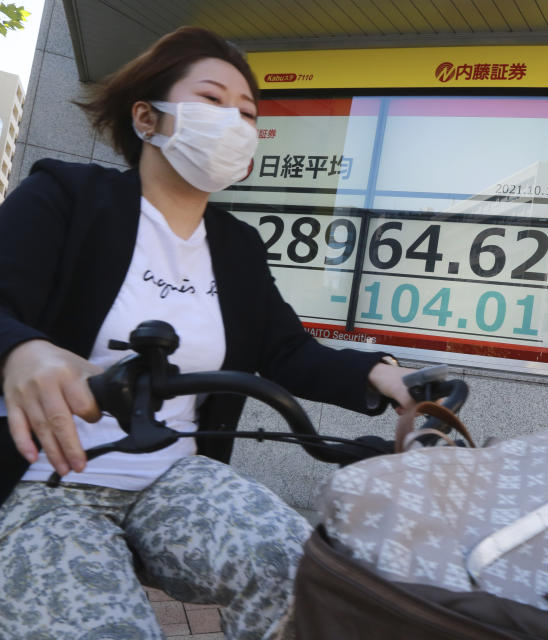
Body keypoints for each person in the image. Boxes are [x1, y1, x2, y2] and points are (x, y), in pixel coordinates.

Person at [0, 27, 415, 639]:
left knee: (308, 577)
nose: (235, 122)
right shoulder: (66, 196)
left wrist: (385, 377)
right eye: (213, 101)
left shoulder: (237, 246)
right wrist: (22, 351)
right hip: (47, 484)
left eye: (247, 113)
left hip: (176, 479)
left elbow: (286, 350)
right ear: (148, 117)